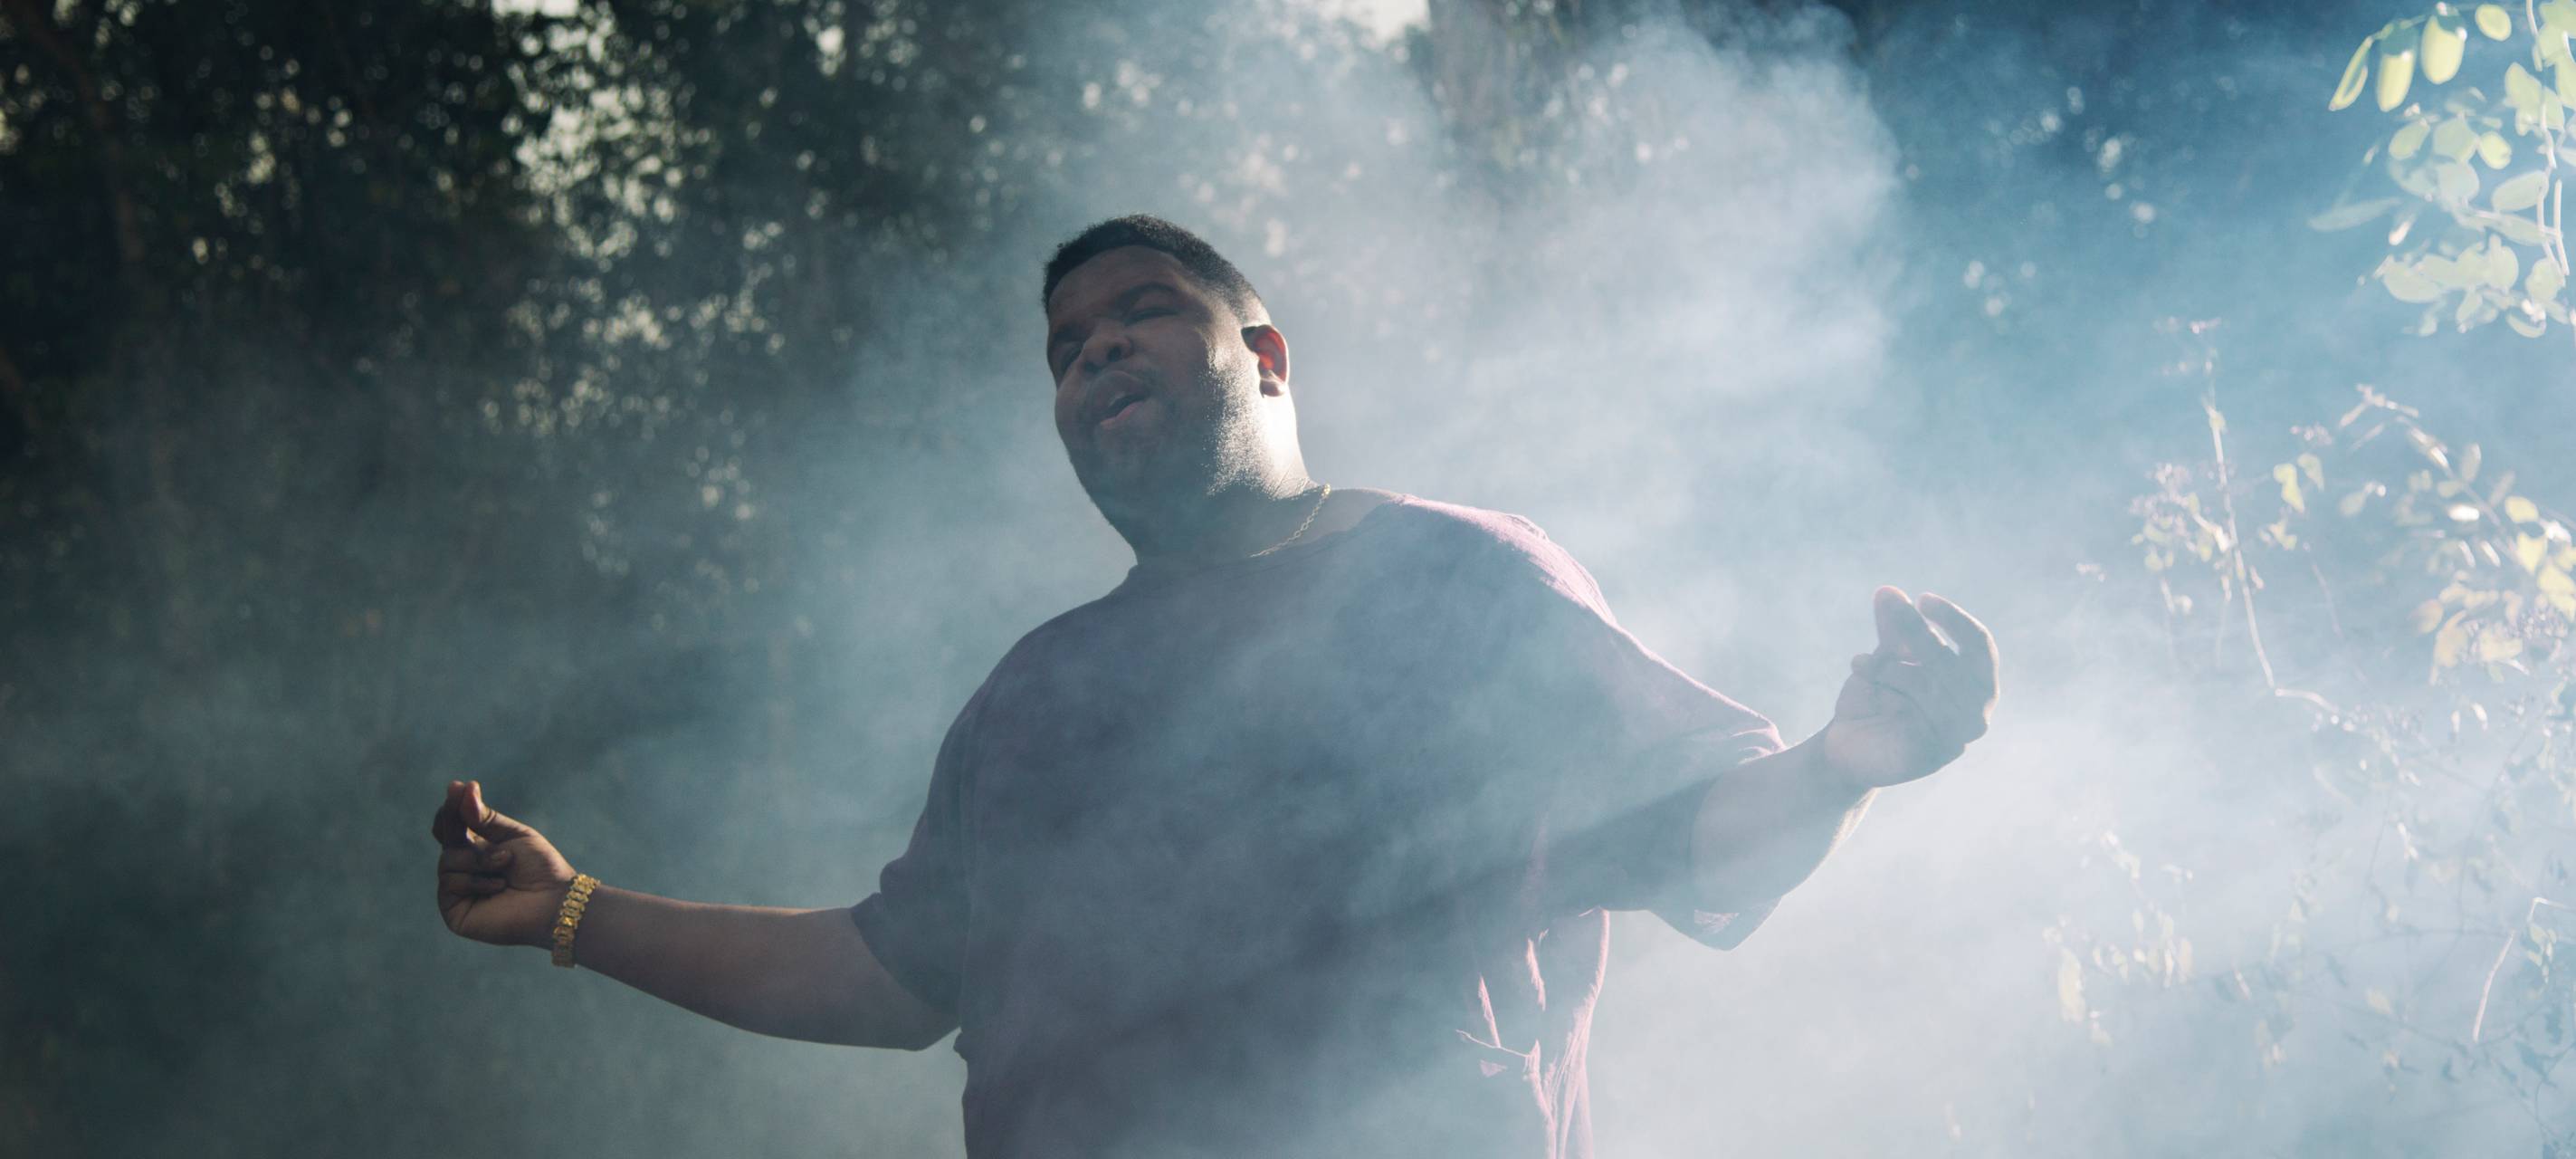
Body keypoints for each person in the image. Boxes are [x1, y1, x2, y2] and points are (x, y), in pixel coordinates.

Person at [430, 215, 1999, 1158]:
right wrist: (572, 911)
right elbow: (893, 976)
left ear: (1265, 353)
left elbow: (1684, 829)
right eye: (1063, 348)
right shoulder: (1034, 691)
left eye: (1141, 316)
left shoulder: (1449, 577)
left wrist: (1842, 766)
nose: (1093, 354)